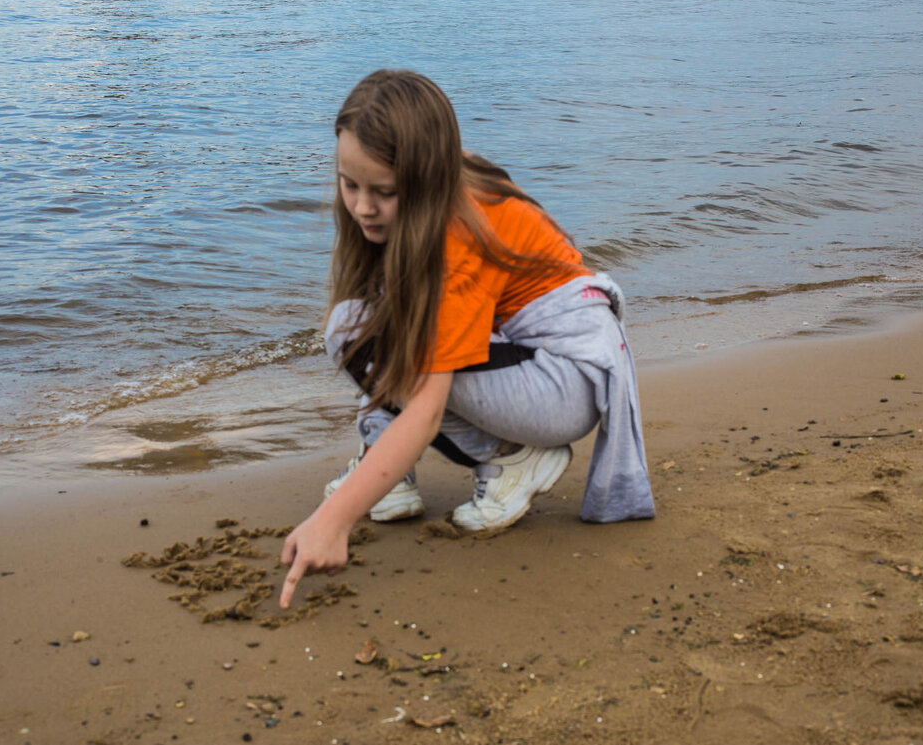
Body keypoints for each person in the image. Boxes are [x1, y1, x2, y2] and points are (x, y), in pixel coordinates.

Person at [279, 70, 654, 608]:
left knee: (366, 336)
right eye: (349, 183)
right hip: (533, 361)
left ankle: (512, 456)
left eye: (384, 192)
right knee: (356, 323)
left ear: (425, 178)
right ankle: (392, 464)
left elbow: (428, 410)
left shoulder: (456, 236)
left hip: (562, 381)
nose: (362, 206)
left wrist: (332, 522)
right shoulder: (437, 191)